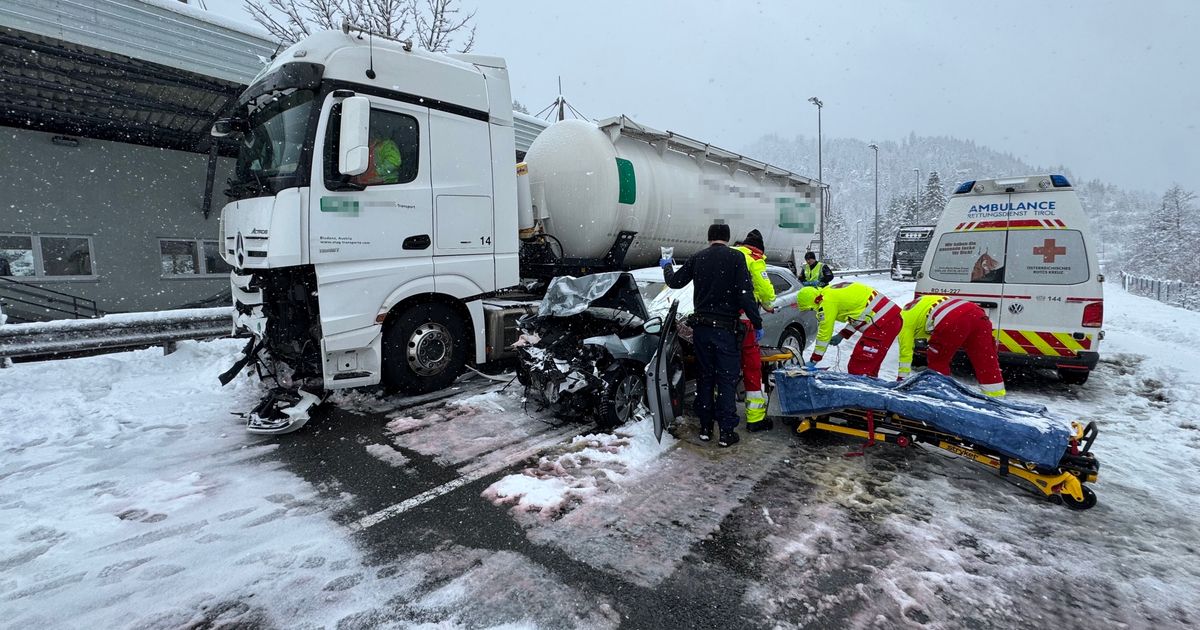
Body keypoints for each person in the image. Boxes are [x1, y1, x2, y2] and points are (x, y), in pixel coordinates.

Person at [662, 223, 764, 447]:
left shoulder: (698, 257)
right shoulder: (736, 258)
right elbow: (746, 295)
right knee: (726, 380)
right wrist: (756, 323)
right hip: (726, 331)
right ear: (727, 238)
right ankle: (727, 432)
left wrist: (667, 266)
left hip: (701, 331)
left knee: (705, 378)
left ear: (708, 237)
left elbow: (674, 282)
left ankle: (706, 428)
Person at [898, 295, 1006, 397]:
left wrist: (901, 381)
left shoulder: (903, 323)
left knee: (937, 360)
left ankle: (940, 392)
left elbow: (905, 354)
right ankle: (996, 396)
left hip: (952, 318)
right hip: (976, 312)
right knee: (985, 359)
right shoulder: (917, 305)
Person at [795, 281, 901, 378]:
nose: (814, 311)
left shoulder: (826, 302)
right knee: (869, 366)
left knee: (858, 368)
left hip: (883, 323)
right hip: (889, 319)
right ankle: (870, 389)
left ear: (814, 302)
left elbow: (824, 334)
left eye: (811, 308)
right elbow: (859, 315)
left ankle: (860, 394)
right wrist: (843, 334)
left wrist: (814, 360)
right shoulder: (830, 291)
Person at [731, 229, 776, 432]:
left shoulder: (728, 253)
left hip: (719, 322)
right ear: (759, 248)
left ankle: (722, 411)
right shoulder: (754, 259)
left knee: (724, 367)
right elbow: (765, 290)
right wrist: (767, 304)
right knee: (752, 367)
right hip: (744, 321)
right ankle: (755, 419)